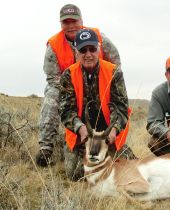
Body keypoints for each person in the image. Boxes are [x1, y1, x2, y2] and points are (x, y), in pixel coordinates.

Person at [36, 4, 121, 167]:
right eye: (66, 22)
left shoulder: (99, 38)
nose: (70, 26)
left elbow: (116, 62)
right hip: (67, 88)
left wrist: (102, 85)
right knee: (51, 95)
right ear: (61, 25)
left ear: (81, 20)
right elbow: (53, 78)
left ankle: (113, 141)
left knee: (114, 100)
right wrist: (74, 90)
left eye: (74, 21)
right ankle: (46, 148)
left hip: (97, 86)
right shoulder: (54, 45)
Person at [60, 28, 135, 181]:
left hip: (108, 135)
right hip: (82, 136)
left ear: (99, 50)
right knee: (76, 175)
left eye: (92, 49)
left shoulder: (114, 72)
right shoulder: (68, 75)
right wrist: (80, 128)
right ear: (76, 52)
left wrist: (114, 130)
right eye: (83, 50)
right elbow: (66, 111)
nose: (88, 54)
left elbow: (120, 107)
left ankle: (116, 154)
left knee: (127, 169)